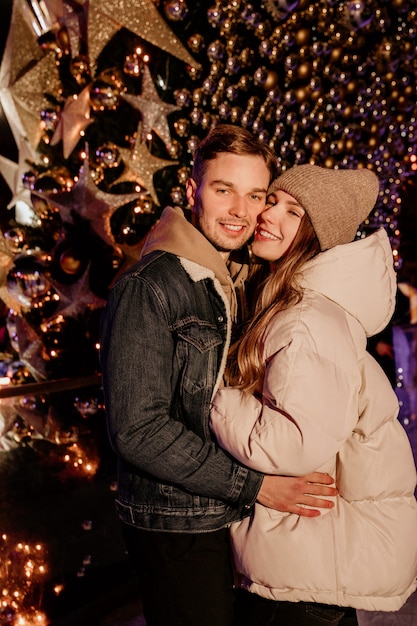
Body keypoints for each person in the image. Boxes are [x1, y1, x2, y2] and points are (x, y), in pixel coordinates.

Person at [99, 125, 338, 626]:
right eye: (223, 189)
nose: (240, 211)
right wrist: (255, 485)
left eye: (255, 195)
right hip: (176, 523)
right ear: (192, 191)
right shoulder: (150, 286)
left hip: (230, 516)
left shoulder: (238, 279)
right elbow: (137, 429)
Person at [210, 164, 417, 625]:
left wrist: (213, 399)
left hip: (304, 575)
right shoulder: (298, 306)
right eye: (273, 200)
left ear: (317, 236)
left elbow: (292, 444)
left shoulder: (306, 320)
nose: (267, 215)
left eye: (293, 212)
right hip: (308, 563)